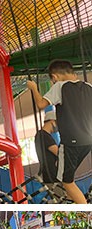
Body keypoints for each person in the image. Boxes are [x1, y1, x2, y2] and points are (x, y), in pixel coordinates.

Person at [26, 60, 92, 203]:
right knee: (68, 178)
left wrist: (34, 88)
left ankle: (85, 212)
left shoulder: (60, 87)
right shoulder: (89, 87)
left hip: (71, 142)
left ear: (54, 77)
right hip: (88, 140)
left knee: (66, 181)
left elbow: (41, 104)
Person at [34, 107, 60, 184]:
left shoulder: (42, 135)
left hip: (50, 175)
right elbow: (58, 153)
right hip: (52, 177)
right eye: (57, 123)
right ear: (52, 122)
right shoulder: (43, 135)